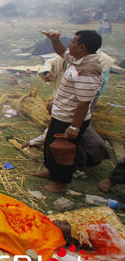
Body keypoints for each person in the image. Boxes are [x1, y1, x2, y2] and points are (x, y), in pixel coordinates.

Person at [32, 30, 104, 193]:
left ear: (82, 47)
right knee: (51, 146)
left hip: (70, 120)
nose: (70, 44)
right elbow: (62, 52)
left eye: (73, 41)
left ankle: (60, 184)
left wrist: (74, 127)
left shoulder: (87, 69)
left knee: (63, 152)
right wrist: (54, 40)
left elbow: (84, 103)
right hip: (61, 115)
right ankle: (52, 172)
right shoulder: (79, 59)